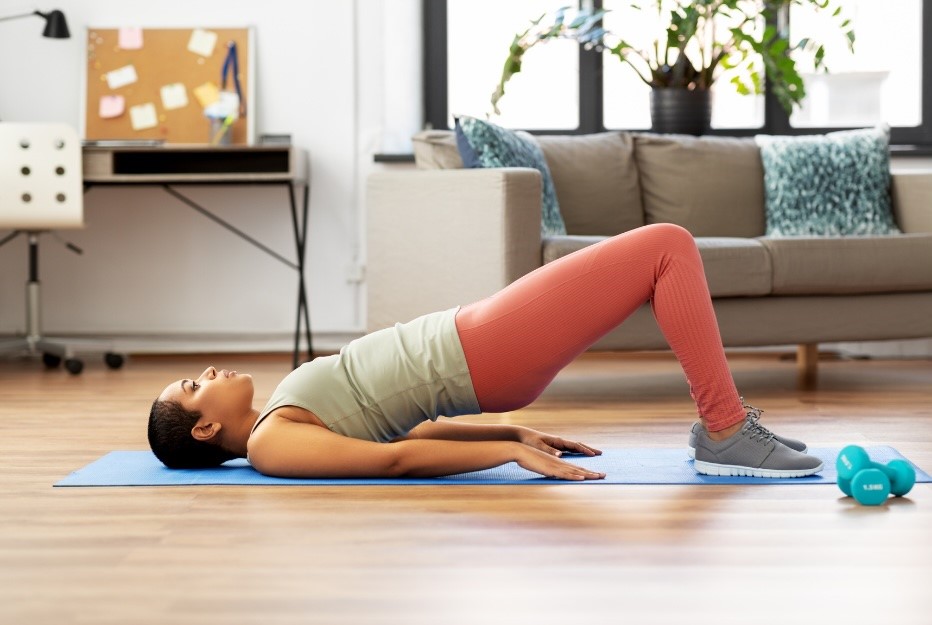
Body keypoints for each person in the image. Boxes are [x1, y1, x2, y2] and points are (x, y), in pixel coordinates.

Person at [149, 223, 823, 480]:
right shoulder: (271, 446)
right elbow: (393, 458)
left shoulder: (284, 416)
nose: (206, 371)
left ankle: (725, 424)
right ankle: (726, 427)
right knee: (667, 246)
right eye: (192, 384)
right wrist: (504, 453)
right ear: (206, 427)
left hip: (478, 340)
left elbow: (396, 422)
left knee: (660, 255)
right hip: (481, 347)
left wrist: (512, 428)